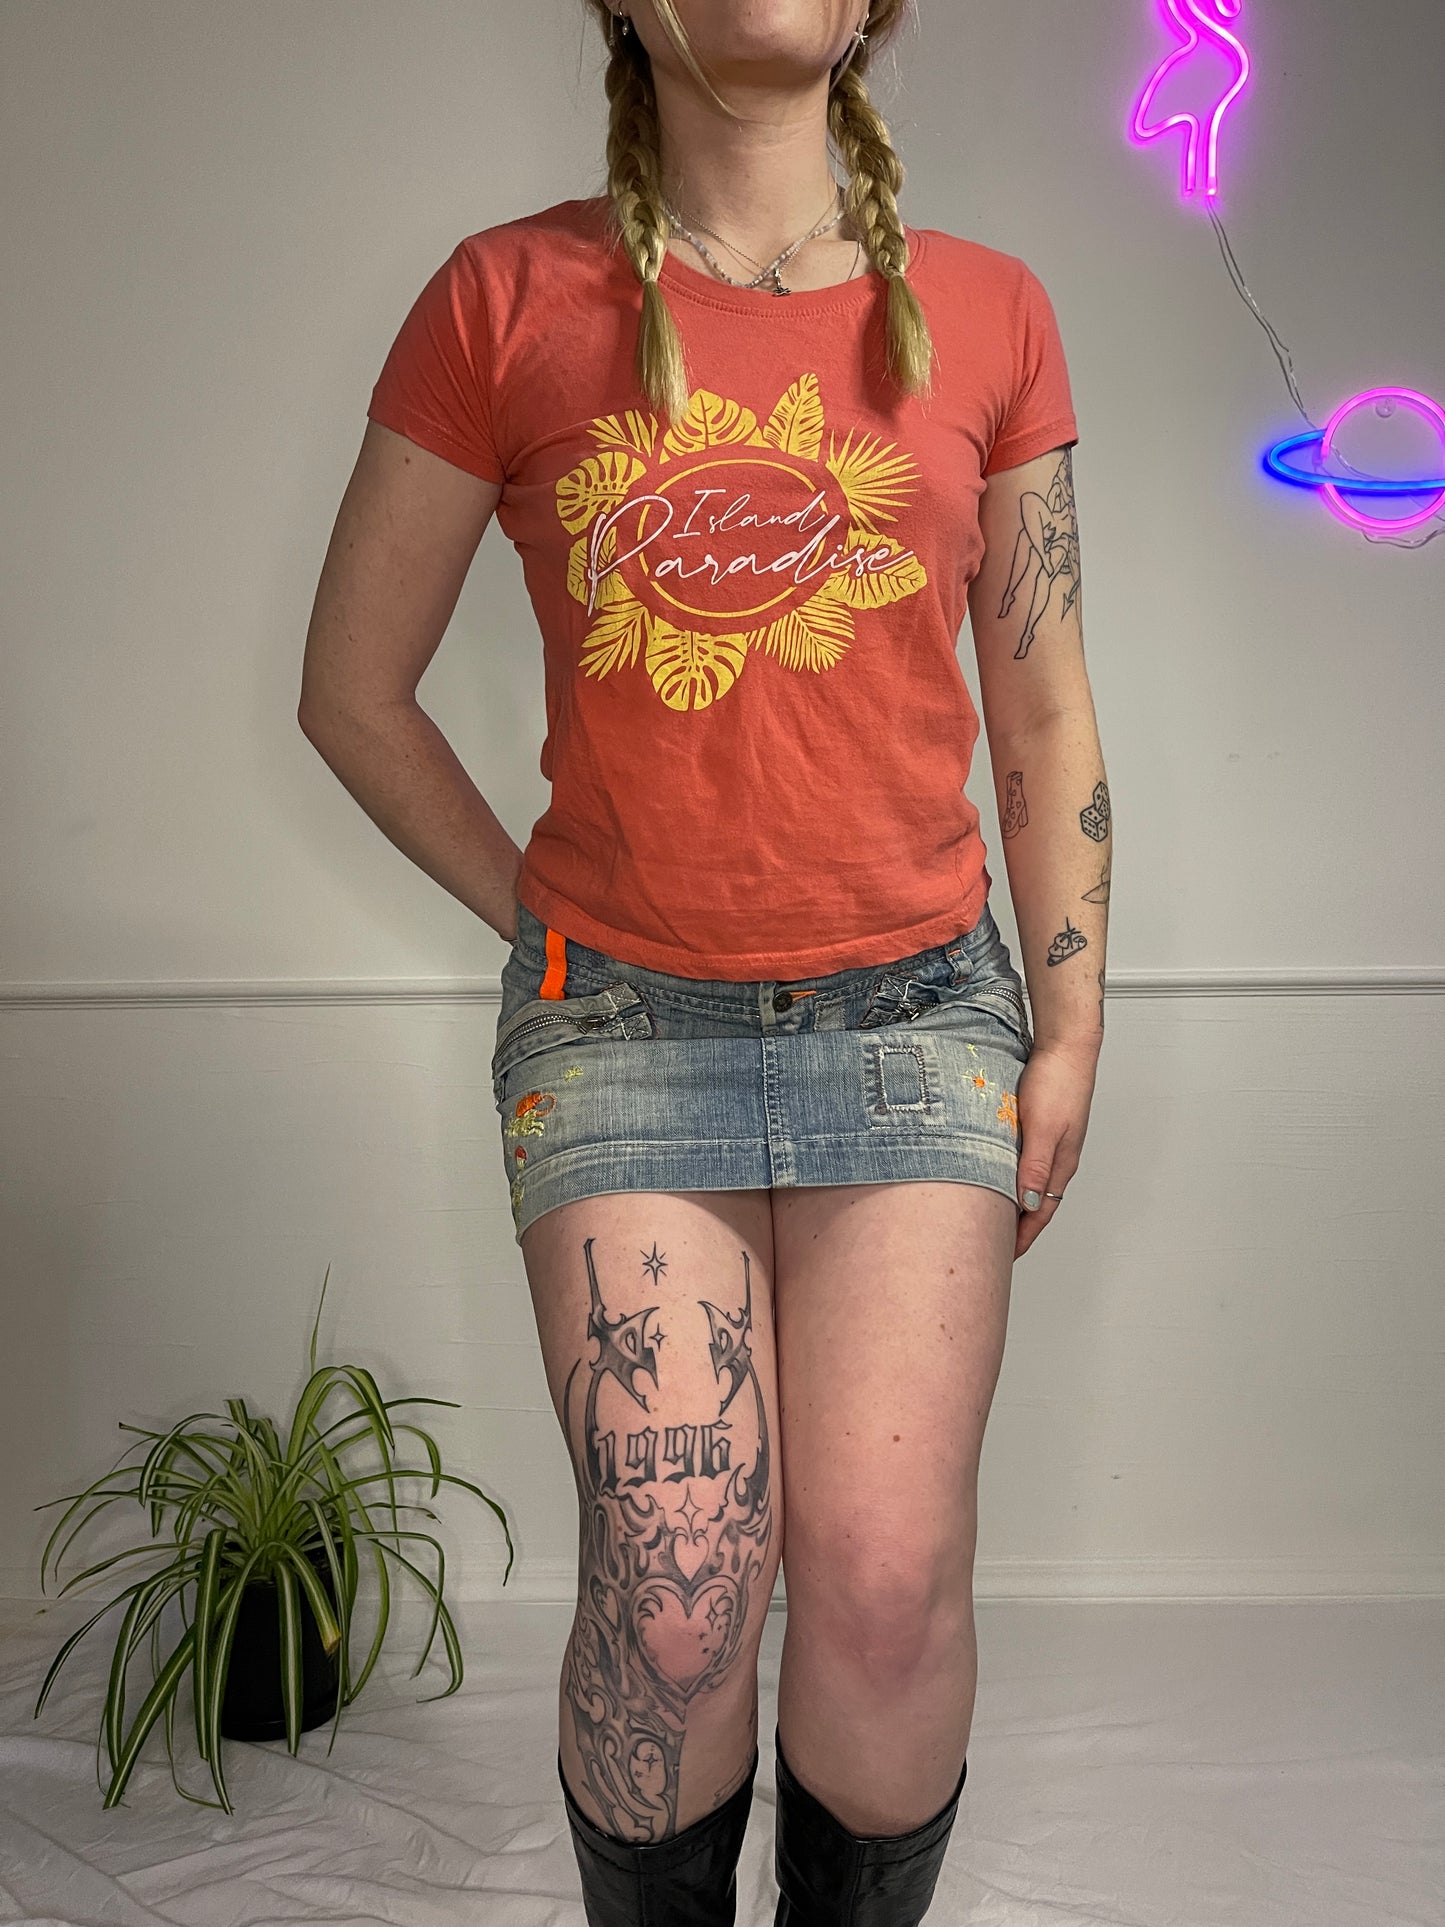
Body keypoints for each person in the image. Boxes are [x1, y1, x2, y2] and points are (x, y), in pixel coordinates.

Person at [299, 4, 1110, 1921]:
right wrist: (551, 919)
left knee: (884, 1584)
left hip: (919, 1019)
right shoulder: (501, 301)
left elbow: (1041, 709)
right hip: (623, 1037)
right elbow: (351, 690)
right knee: (674, 1602)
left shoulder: (989, 311)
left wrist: (1070, 1019)